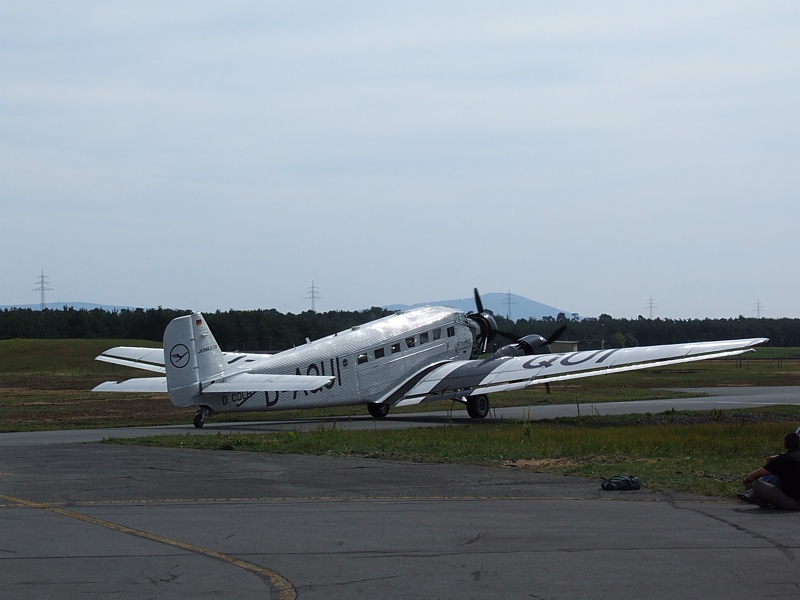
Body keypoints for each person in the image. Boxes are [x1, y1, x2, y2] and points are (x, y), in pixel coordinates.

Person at [741, 432, 800, 510]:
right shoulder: (788, 458)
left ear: (785, 445)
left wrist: (747, 479)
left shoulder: (783, 460)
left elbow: (756, 474)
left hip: (793, 502)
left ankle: (753, 495)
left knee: (756, 484)